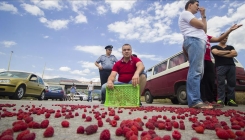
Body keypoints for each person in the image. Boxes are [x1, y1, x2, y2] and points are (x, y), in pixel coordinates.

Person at [178, 0, 212, 109]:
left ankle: (196, 99)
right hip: (194, 41)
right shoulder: (186, 13)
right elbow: (201, 25)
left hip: (198, 41)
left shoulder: (193, 17)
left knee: (199, 71)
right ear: (190, 5)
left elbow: (204, 30)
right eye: (197, 5)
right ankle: (194, 101)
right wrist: (202, 18)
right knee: (195, 70)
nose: (198, 7)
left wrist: (203, 16)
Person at [211, 26, 242, 107]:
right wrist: (228, 52)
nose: (225, 39)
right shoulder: (214, 47)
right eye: (224, 37)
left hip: (231, 66)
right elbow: (216, 53)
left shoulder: (231, 47)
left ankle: (230, 100)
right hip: (220, 66)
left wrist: (222, 53)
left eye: (226, 38)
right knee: (220, 83)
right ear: (221, 37)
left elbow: (235, 54)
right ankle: (221, 100)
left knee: (231, 83)